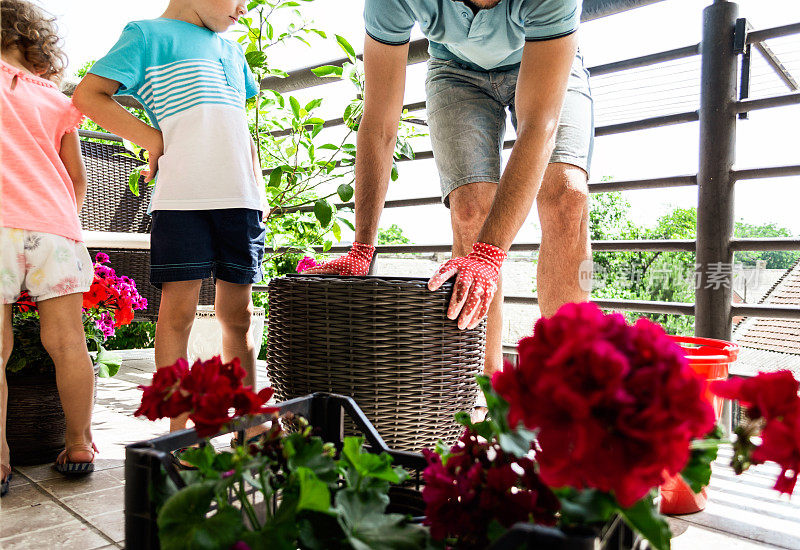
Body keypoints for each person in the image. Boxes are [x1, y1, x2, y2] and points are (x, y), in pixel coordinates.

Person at [305, 0, 594, 377]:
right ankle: (484, 389)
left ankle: (572, 383)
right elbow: (379, 123)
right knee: (470, 209)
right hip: (455, 71)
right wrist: (362, 248)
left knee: (567, 196)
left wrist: (489, 255)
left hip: (545, 54)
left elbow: (540, 125)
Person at [73, 0, 267, 444]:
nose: (243, 9)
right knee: (176, 315)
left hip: (241, 201)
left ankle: (248, 424)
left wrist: (257, 185)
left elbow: (239, 125)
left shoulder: (233, 52)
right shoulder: (145, 36)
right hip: (181, 200)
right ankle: (181, 432)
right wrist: (152, 138)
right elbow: (88, 95)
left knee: (238, 316)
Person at [1, 0, 97, 493]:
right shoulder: (59, 102)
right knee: (67, 344)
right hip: (54, 231)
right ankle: (78, 441)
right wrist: (63, 224)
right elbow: (77, 180)